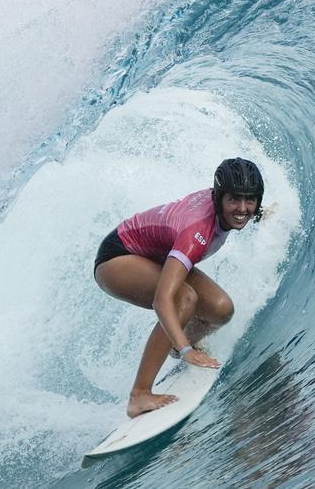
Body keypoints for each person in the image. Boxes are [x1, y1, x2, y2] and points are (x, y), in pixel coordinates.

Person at [93, 157, 264, 417]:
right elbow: (162, 300)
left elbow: (245, 208)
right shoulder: (196, 231)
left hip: (154, 255)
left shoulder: (234, 208)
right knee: (183, 298)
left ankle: (177, 344)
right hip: (116, 258)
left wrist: (262, 212)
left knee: (220, 309)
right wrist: (187, 352)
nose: (242, 208)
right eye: (234, 200)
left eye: (250, 200)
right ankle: (139, 394)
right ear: (219, 198)